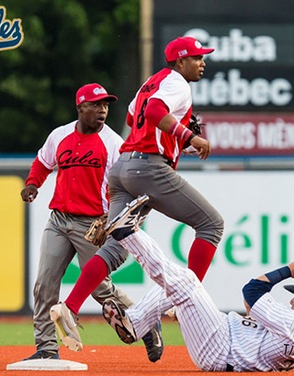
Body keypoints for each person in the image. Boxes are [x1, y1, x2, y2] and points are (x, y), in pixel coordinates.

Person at [50, 36, 224, 347]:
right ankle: (186, 297)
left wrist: (178, 140)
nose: (202, 62)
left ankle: (70, 307)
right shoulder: (178, 83)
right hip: (148, 170)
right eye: (197, 57)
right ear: (180, 61)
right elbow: (156, 112)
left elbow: (135, 117)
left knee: (117, 247)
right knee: (211, 225)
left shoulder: (150, 83)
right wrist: (188, 136)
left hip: (122, 170)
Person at [100, 195, 294, 372]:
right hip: (223, 339)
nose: (292, 298)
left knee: (184, 283)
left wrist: (287, 270)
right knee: (180, 286)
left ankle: (127, 234)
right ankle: (136, 323)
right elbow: (251, 310)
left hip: (221, 348)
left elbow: (251, 291)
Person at [19, 83, 163, 362]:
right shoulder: (60, 135)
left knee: (100, 289)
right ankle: (47, 348)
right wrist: (32, 183)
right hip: (59, 220)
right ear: (80, 108)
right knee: (44, 284)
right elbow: (42, 161)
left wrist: (114, 221)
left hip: (93, 225)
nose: (102, 110)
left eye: (106, 105)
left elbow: (126, 185)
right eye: (96, 105)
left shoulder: (113, 144)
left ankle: (145, 323)